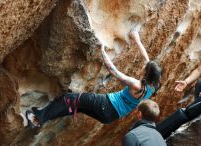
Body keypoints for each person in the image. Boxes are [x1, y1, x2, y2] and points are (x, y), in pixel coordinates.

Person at [25, 29, 162, 127]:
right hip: (110, 116)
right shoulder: (152, 86)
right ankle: (43, 115)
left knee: (68, 98)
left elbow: (114, 71)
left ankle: (38, 119)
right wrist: (137, 39)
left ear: (147, 73)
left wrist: (102, 52)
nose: (142, 66)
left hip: (106, 105)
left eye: (144, 68)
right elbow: (146, 59)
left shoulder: (136, 84)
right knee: (75, 106)